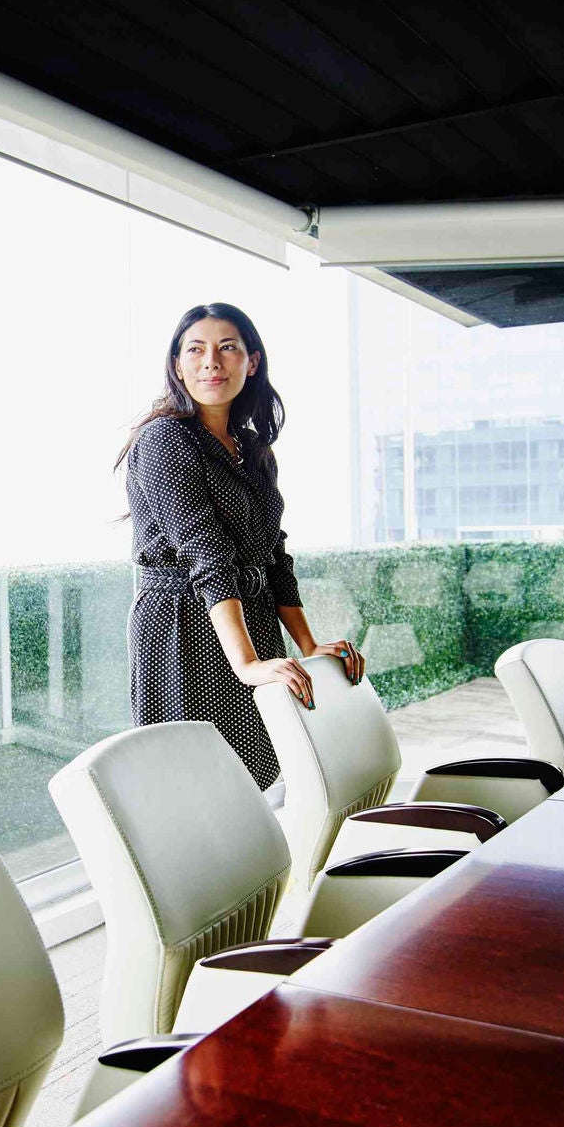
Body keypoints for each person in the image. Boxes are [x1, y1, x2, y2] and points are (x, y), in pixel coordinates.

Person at [117, 302, 362, 789]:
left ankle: (256, 866)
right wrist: (246, 663)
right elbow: (205, 553)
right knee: (200, 780)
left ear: (251, 362)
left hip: (249, 618)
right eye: (196, 350)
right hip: (182, 625)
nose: (212, 361)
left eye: (227, 348)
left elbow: (275, 555)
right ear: (178, 365)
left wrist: (309, 644)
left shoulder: (253, 449)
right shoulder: (166, 438)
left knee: (258, 768)